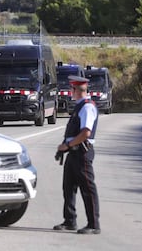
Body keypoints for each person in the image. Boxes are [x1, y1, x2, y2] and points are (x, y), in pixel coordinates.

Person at [53, 75, 101, 234]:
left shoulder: (87, 107)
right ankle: (69, 221)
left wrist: (67, 144)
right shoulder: (80, 106)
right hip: (73, 153)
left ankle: (93, 224)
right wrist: (64, 148)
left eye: (71, 89)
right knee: (68, 188)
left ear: (76, 90)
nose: (70, 91)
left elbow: (85, 133)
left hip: (82, 153)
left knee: (88, 189)